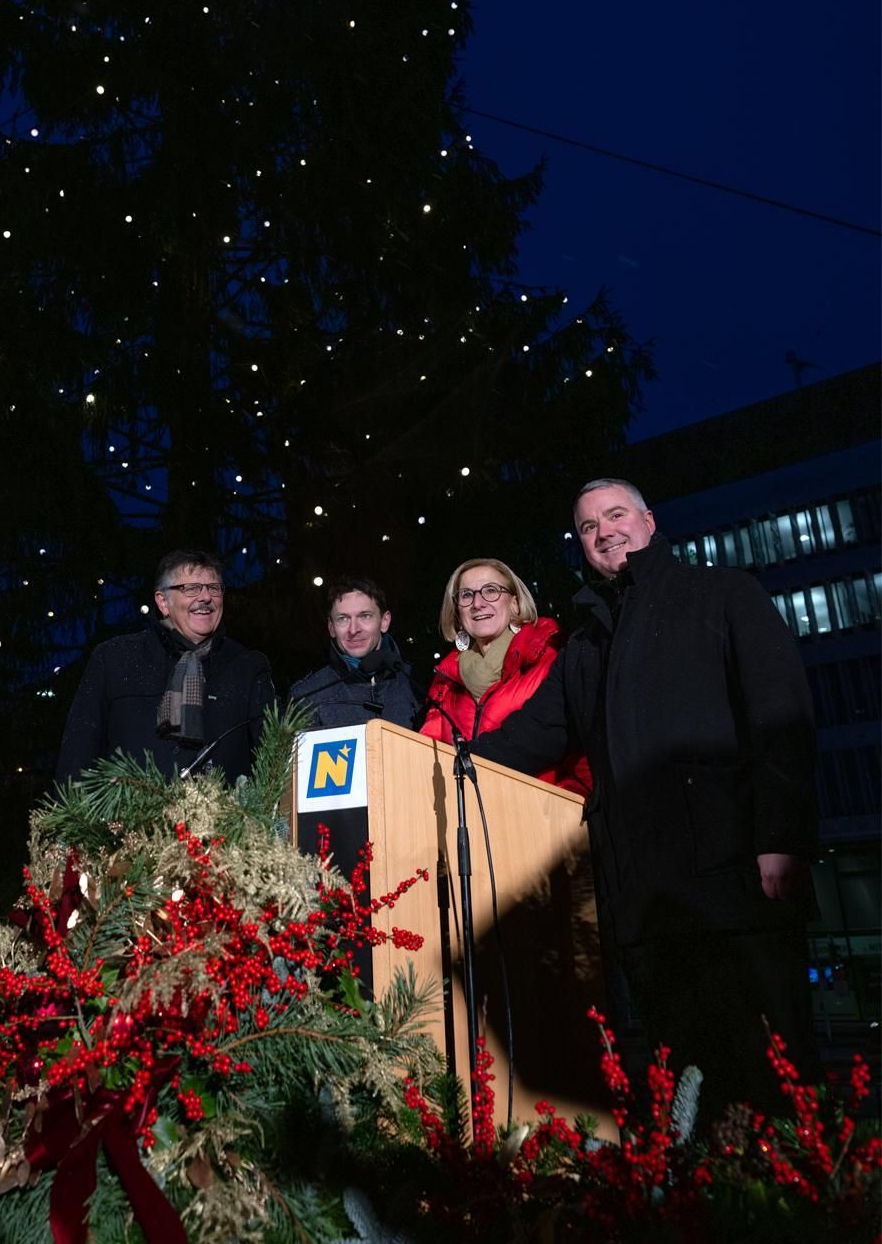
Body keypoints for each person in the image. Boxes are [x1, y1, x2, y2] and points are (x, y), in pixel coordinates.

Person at [472, 479, 818, 1118]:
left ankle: (790, 1211)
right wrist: (451, 759)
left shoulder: (723, 595)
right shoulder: (585, 644)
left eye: (616, 515)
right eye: (588, 526)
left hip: (736, 885)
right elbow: (533, 735)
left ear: (649, 521)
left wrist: (783, 836)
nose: (604, 532)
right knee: (680, 1086)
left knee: (770, 1076)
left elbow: (782, 719)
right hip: (644, 901)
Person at [56, 548, 275, 784]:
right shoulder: (115, 659)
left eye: (214, 588)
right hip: (130, 818)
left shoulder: (248, 666)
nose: (205, 597)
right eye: (190, 588)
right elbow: (77, 755)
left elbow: (275, 757)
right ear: (163, 602)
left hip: (224, 818)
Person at [419, 558, 590, 795]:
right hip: (464, 823)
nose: (477, 603)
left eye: (491, 591)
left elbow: (583, 755)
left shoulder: (548, 662)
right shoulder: (446, 683)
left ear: (515, 604)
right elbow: (425, 758)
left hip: (535, 820)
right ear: (457, 611)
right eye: (466, 595)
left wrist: (559, 812)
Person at [287, 577, 418, 730]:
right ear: (331, 627)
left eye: (365, 616)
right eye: (343, 619)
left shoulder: (415, 684)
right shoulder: (308, 697)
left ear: (384, 621)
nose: (353, 629)